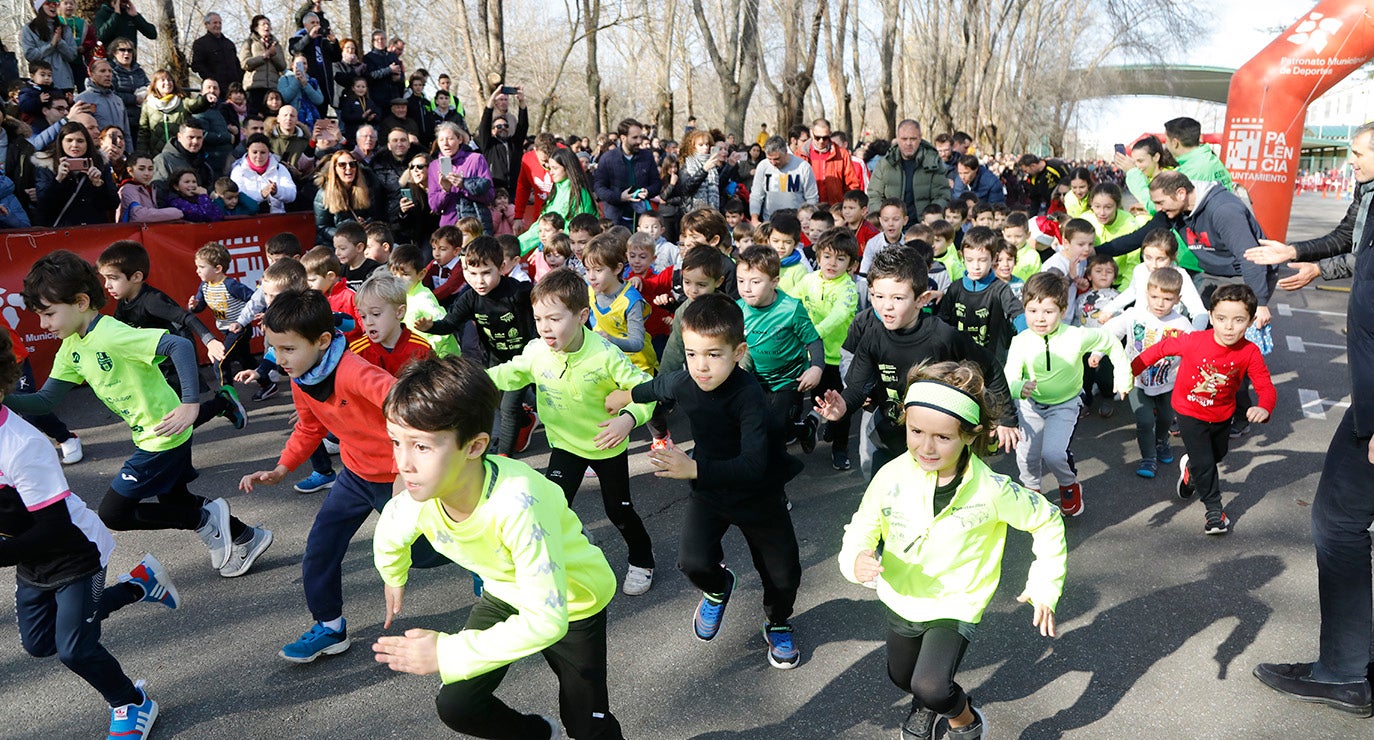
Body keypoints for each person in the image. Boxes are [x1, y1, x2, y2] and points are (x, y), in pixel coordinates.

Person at [372, 355, 624, 739]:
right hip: (506, 592)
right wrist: (393, 575)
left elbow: (546, 621)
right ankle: (538, 734)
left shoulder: (519, 504)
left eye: (421, 447)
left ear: (474, 447)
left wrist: (446, 653)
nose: (403, 463)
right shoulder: (414, 499)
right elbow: (390, 530)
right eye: (396, 442)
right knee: (458, 705)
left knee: (587, 724)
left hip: (573, 602)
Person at [838, 360, 1066, 740]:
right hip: (902, 594)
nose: (926, 447)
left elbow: (1047, 520)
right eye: (916, 431)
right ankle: (926, 705)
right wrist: (856, 558)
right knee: (902, 677)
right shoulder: (891, 474)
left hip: (958, 600)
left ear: (969, 435)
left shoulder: (991, 489)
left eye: (942, 437)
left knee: (931, 684)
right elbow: (863, 525)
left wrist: (1045, 584)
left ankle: (965, 720)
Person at [6, 250, 268, 579]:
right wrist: (3, 399)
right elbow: (44, 401)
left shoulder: (111, 334)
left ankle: (208, 521)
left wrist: (190, 404)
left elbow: (179, 346)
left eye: (48, 314)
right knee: (176, 501)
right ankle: (245, 536)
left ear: (81, 301)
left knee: (114, 513)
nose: (43, 325)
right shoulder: (72, 346)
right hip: (151, 433)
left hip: (164, 434)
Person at [236, 288, 442, 662]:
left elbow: (410, 410)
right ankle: (330, 628)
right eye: (274, 349)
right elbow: (309, 427)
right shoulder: (301, 375)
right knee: (320, 548)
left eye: (287, 349)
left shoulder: (355, 372)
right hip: (354, 475)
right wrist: (282, 467)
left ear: (323, 341)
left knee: (425, 554)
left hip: (392, 474)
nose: (279, 359)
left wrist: (403, 470)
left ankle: (484, 561)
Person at [1245, 125, 1374, 717]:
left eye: (1360, 151)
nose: (1351, 160)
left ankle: (1345, 672)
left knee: (1338, 522)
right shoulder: (1369, 195)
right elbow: (1354, 239)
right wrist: (1302, 256)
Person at [0, 327, 181, 740]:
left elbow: (54, 528)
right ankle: (139, 585)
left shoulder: (22, 445)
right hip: (30, 557)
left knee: (75, 648)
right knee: (41, 644)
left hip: (76, 552)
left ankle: (132, 703)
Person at [608, 293, 804, 669]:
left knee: (783, 575)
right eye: (693, 353)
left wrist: (692, 468)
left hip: (758, 496)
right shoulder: (686, 380)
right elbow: (660, 385)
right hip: (711, 493)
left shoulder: (749, 398)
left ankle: (777, 623)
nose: (701, 366)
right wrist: (626, 397)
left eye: (713, 354)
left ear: (738, 352)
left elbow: (753, 465)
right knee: (693, 562)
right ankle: (717, 589)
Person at [477, 268, 657, 597]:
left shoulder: (604, 354)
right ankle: (571, 546)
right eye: (539, 318)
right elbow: (512, 373)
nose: (545, 327)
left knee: (618, 510)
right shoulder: (536, 351)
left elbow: (647, 391)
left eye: (555, 319)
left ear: (581, 316)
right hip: (565, 445)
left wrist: (628, 419)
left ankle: (642, 560)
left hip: (606, 444)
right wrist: (475, 381)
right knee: (553, 506)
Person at [814, 247, 1020, 475]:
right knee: (884, 500)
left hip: (938, 444)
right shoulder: (873, 336)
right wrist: (842, 405)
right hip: (891, 439)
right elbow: (856, 387)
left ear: (921, 299)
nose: (886, 306)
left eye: (898, 298)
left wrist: (1007, 418)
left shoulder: (943, 336)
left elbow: (990, 365)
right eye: (878, 296)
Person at [1130, 283, 1275, 534]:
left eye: (1238, 320)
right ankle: (1214, 511)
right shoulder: (1194, 340)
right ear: (1210, 317)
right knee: (1206, 462)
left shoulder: (1250, 352)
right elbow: (1160, 349)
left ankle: (1191, 472)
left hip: (1222, 414)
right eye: (1221, 318)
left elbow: (1265, 385)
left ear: (1250, 321)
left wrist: (1264, 407)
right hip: (1188, 412)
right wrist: (1128, 373)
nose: (1229, 326)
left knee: (1215, 455)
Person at [1004, 271, 1131, 516]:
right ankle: (1032, 491)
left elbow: (1110, 342)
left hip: (1065, 405)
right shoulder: (1021, 341)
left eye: (1048, 312)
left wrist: (1123, 376)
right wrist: (1019, 387)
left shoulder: (1076, 335)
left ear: (1062, 311)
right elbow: (1009, 376)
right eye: (1032, 311)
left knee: (1053, 453)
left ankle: (1069, 485)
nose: (1039, 318)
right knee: (1026, 455)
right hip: (1030, 405)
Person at [412, 236, 537, 456]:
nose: (479, 281)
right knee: (495, 402)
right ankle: (525, 422)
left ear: (502, 268)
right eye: (472, 273)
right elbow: (450, 323)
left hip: (525, 358)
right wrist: (430, 326)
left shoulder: (518, 292)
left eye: (486, 273)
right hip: (495, 359)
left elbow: (544, 303)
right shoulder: (470, 298)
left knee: (510, 407)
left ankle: (504, 456)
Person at [1100, 267, 1193, 479]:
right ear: (1146, 294)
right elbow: (1109, 333)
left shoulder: (1183, 324)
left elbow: (1194, 352)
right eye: (1155, 297)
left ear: (1178, 299)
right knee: (1144, 420)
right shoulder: (1134, 314)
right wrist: (1097, 352)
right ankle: (1148, 457)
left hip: (1169, 383)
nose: (1160, 303)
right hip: (1137, 380)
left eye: (1167, 298)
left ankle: (1161, 442)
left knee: (1166, 418)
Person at [938, 226, 1025, 368]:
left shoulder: (1000, 289)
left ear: (994, 258)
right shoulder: (955, 288)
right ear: (962, 257)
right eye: (970, 260)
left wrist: (1029, 337)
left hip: (992, 362)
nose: (976, 266)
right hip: (959, 362)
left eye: (982, 260)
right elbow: (942, 321)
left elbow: (1017, 314)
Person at [868, 120, 950, 230]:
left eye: (913, 139)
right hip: (891, 227)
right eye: (904, 139)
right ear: (897, 138)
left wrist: (930, 220)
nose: (908, 143)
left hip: (923, 226)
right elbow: (874, 195)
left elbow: (942, 195)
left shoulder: (934, 163)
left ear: (920, 138)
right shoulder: (885, 163)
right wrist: (885, 219)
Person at [34, 121, 118, 226]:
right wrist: (58, 180)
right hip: (61, 232)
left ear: (87, 143)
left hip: (93, 231)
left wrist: (98, 184)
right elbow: (43, 206)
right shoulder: (46, 165)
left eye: (80, 141)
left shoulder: (100, 164)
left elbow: (112, 204)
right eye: (69, 140)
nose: (75, 145)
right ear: (61, 142)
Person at [516, 147, 597, 255]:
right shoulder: (555, 191)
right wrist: (514, 247)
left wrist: (546, 247)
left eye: (555, 168)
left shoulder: (579, 195)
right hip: (553, 251)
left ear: (567, 168)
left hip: (573, 255)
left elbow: (576, 232)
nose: (551, 173)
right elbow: (540, 227)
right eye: (550, 168)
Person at [593, 118, 662, 229]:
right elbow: (599, 187)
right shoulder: (608, 158)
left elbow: (657, 183)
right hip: (615, 220)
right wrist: (620, 197)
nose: (639, 141)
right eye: (634, 138)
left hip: (642, 220)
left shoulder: (647, 157)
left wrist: (648, 191)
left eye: (640, 137)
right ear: (623, 138)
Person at [428, 121, 494, 232]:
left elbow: (490, 196)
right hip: (449, 228)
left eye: (450, 139)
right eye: (441, 140)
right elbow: (434, 206)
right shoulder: (434, 166)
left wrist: (464, 185)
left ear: (460, 140)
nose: (445, 144)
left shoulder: (475, 159)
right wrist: (445, 191)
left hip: (474, 226)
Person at [314, 148, 379, 243]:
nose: (348, 168)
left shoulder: (364, 189)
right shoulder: (323, 194)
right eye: (342, 165)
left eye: (352, 164)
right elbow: (322, 228)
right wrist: (347, 235)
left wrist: (365, 223)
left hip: (360, 242)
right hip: (334, 245)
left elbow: (374, 216)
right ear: (335, 169)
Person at [750, 136, 818, 224]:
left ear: (785, 152)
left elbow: (812, 198)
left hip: (796, 223)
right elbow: (756, 195)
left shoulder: (803, 167)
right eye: (769, 159)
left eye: (777, 159)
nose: (773, 163)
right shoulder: (763, 166)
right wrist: (754, 218)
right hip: (770, 221)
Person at [137, 70, 207, 154]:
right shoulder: (148, 105)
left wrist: (205, 100)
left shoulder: (182, 101)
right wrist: (142, 153)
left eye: (170, 80)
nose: (167, 83)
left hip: (180, 153)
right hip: (157, 155)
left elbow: (196, 105)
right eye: (162, 80)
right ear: (155, 84)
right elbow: (143, 132)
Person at [477, 87, 528, 194]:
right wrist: (493, 97)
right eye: (498, 126)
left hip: (514, 191)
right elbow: (485, 123)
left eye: (505, 125)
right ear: (492, 130)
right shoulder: (489, 145)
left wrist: (522, 101)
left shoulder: (514, 143)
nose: (503, 128)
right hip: (495, 190)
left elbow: (523, 125)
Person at [230, 133, 297, 213]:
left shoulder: (279, 168)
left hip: (278, 217)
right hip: (249, 219)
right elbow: (239, 197)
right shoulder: (238, 171)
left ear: (269, 152)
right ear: (248, 150)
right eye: (254, 152)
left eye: (263, 152)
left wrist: (277, 191)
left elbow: (292, 194)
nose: (258, 156)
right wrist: (261, 195)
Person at [21, 0, 79, 95]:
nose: (53, 6)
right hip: (41, 84)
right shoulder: (29, 29)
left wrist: (60, 42)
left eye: (55, 3)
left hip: (64, 82)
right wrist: (51, 45)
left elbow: (72, 55)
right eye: (48, 3)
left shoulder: (65, 28)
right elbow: (30, 55)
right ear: (40, 7)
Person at [1163, 116, 1234, 191]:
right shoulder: (1212, 160)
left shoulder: (1189, 173)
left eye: (1166, 140)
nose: (1166, 145)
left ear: (1175, 143)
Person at [289, 11, 340, 113]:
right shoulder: (298, 38)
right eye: (313, 23)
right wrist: (309, 37)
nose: (316, 25)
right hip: (308, 84)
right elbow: (294, 50)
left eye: (317, 22)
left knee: (322, 119)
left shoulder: (324, 40)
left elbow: (337, 58)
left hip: (324, 85)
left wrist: (334, 42)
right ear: (305, 25)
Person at [806, 118, 860, 206]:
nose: (821, 141)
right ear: (811, 133)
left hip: (835, 208)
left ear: (830, 134)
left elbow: (851, 184)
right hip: (809, 209)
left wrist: (849, 206)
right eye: (817, 137)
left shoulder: (842, 154)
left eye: (825, 138)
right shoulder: (801, 154)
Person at [240, 15, 287, 114]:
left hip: (272, 87)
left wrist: (273, 55)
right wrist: (264, 56)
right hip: (254, 87)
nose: (267, 27)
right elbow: (245, 63)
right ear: (256, 28)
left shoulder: (276, 44)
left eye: (268, 24)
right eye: (263, 24)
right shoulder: (249, 42)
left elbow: (282, 66)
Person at [106, 37, 148, 147]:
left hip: (141, 118)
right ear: (114, 52)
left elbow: (149, 85)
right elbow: (111, 93)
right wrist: (134, 99)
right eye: (122, 50)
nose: (126, 53)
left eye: (129, 50)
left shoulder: (139, 71)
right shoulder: (111, 70)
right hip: (121, 118)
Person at [73, 58, 125, 142]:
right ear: (92, 74)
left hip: (118, 149)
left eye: (110, 71)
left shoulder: (118, 100)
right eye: (102, 71)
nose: (108, 74)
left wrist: (129, 151)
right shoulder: (81, 99)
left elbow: (126, 131)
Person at [190, 12, 241, 90]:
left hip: (233, 89)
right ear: (207, 25)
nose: (218, 25)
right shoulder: (201, 44)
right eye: (215, 23)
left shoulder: (229, 44)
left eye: (220, 23)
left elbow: (237, 65)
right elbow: (197, 65)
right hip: (214, 88)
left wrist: (239, 81)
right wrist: (212, 80)